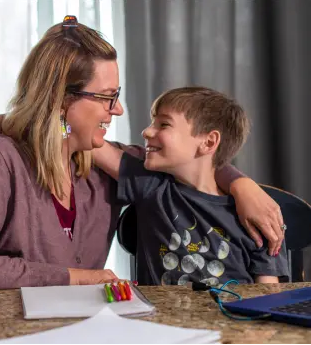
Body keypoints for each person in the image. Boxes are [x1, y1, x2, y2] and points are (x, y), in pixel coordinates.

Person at [0, 17, 285, 291]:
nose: (118, 110)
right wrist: (76, 278)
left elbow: (191, 161)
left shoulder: (100, 164)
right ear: (62, 100)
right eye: (106, 97)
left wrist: (242, 186)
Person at [91, 87, 289, 286]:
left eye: (164, 124)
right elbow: (89, 142)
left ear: (209, 142)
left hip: (232, 317)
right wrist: (65, 120)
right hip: (158, 317)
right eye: (153, 122)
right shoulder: (151, 186)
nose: (147, 131)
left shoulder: (257, 218)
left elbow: (266, 296)